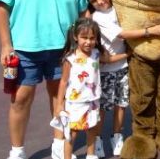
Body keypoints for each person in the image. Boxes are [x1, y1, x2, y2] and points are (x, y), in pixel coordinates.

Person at [0, 0, 89, 159]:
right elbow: (2, 7)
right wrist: (6, 44)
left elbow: (83, 11)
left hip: (63, 49)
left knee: (60, 97)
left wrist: (85, 41)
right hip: (26, 47)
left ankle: (59, 144)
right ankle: (17, 150)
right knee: (21, 99)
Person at [83, 0, 160, 158]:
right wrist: (150, 32)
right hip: (106, 71)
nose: (99, 1)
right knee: (102, 108)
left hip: (122, 69)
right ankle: (97, 139)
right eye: (94, 0)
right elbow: (122, 34)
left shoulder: (118, 8)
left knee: (121, 105)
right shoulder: (98, 17)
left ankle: (117, 137)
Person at [52, 18, 129, 159]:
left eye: (92, 38)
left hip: (93, 101)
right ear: (76, 37)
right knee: (72, 132)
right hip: (75, 103)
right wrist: (59, 105)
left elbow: (109, 59)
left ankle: (91, 155)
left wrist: (126, 55)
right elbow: (63, 82)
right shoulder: (70, 58)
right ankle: (66, 157)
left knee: (92, 129)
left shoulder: (96, 54)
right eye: (84, 38)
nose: (88, 42)